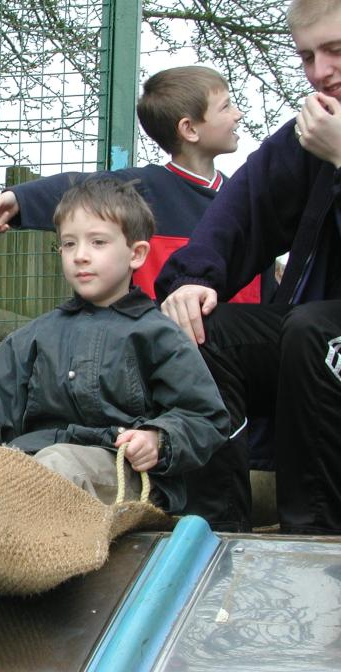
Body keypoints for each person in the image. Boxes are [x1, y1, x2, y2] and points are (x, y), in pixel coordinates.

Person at [156, 0, 341, 534]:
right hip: (318, 352)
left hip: (324, 339)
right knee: (206, 331)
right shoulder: (312, 132)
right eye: (307, 55)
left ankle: (314, 537)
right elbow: (243, 213)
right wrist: (193, 280)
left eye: (335, 50)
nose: (319, 72)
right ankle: (214, 532)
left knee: (315, 331)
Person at [0, 178, 229, 513]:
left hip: (124, 472)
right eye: (68, 244)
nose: (80, 256)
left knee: (54, 469)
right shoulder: (33, 336)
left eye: (97, 242)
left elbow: (205, 416)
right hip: (32, 458)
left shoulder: (160, 336)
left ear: (136, 254)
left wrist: (159, 439)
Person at [0, 66, 262, 303]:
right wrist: (18, 198)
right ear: (190, 128)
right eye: (225, 107)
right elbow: (79, 187)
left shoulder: (250, 197)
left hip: (238, 357)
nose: (237, 115)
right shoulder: (145, 188)